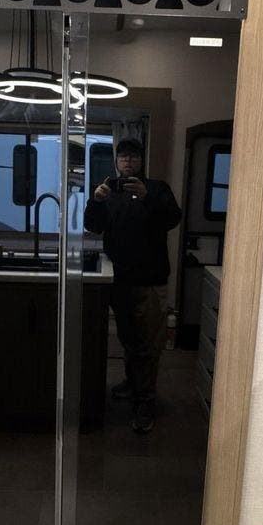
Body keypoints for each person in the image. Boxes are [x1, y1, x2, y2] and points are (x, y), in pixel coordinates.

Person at [84, 138, 182, 433]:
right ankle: (132, 383)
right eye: (123, 157)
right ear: (116, 161)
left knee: (148, 345)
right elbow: (93, 226)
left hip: (150, 280)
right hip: (119, 280)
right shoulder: (109, 191)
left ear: (141, 161)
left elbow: (172, 219)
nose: (128, 161)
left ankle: (145, 402)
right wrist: (95, 200)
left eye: (133, 157)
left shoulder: (158, 188)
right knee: (128, 339)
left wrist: (147, 196)